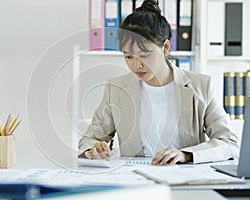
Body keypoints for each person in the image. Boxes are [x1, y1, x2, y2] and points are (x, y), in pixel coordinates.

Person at [78, 0, 239, 165]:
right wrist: (93, 149)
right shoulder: (117, 89)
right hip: (135, 179)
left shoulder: (201, 86)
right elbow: (89, 139)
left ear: (165, 47)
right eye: (128, 56)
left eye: (145, 55)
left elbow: (229, 143)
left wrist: (187, 155)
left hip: (185, 177)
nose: (136, 65)